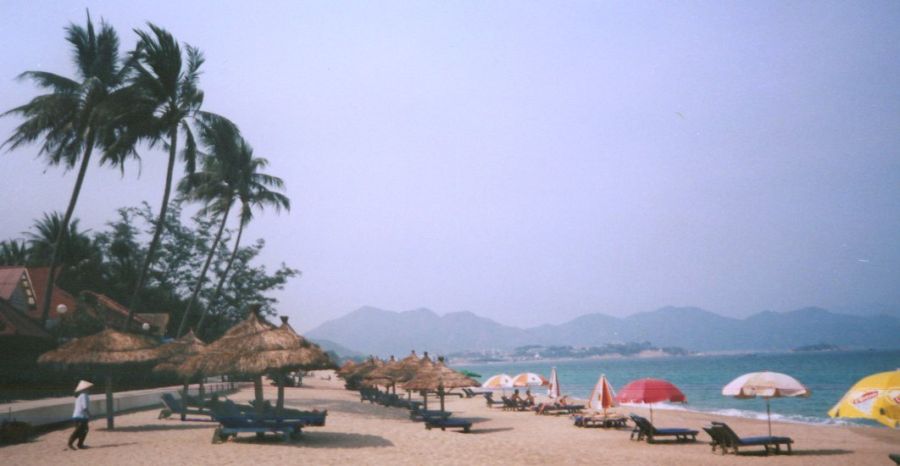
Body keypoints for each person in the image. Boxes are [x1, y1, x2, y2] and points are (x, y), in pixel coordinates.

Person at [68, 380, 93, 450]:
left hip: (79, 416)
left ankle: (79, 444)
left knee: (83, 430)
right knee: (80, 430)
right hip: (81, 416)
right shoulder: (84, 395)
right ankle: (71, 443)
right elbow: (85, 407)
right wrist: (90, 414)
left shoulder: (80, 396)